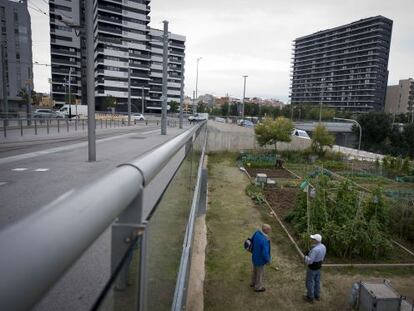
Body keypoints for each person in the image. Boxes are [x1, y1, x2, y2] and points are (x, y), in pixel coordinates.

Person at [304, 233, 326, 303]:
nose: (311, 240)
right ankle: (317, 295)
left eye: (313, 239)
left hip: (312, 268)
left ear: (316, 241)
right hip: (319, 267)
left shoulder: (315, 250)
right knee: (317, 281)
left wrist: (306, 257)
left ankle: (310, 297)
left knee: (310, 282)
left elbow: (310, 261)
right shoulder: (323, 246)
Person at [250, 224, 272, 292]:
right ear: (266, 230)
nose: (270, 231)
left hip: (254, 256)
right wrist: (268, 260)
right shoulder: (264, 240)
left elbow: (252, 240)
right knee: (260, 273)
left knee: (254, 271)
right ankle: (258, 287)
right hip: (260, 260)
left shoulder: (257, 233)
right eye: (269, 230)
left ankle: (253, 283)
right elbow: (265, 253)